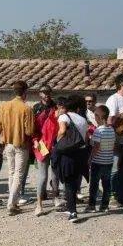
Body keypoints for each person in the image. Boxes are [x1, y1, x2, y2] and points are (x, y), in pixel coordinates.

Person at [0, 81, 35, 214]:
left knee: (11, 173)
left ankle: (13, 201)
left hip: (8, 143)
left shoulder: (4, 106)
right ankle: (11, 203)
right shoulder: (27, 109)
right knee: (18, 174)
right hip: (21, 144)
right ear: (25, 92)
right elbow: (29, 131)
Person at [52, 95, 88, 223]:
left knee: (68, 182)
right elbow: (85, 138)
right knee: (74, 181)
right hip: (80, 153)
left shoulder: (64, 117)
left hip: (67, 153)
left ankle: (73, 212)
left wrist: (57, 143)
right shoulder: (83, 120)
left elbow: (62, 131)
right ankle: (70, 207)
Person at [106, 74, 123, 204]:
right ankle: (111, 195)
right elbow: (110, 120)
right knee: (115, 168)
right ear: (122, 84)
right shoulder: (113, 99)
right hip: (117, 140)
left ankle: (122, 194)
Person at [32, 85, 60, 213]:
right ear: (40, 94)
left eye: (48, 92)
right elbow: (33, 127)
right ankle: (39, 204)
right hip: (42, 144)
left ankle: (55, 197)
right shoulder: (36, 108)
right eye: (44, 92)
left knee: (55, 173)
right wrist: (35, 140)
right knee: (43, 175)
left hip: (55, 143)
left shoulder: (56, 106)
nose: (46, 94)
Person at [86, 105, 115, 212]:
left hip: (98, 162)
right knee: (106, 185)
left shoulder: (98, 130)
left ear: (99, 117)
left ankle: (92, 206)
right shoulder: (111, 130)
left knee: (94, 184)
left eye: (95, 116)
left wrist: (90, 159)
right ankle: (104, 206)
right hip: (108, 161)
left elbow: (96, 147)